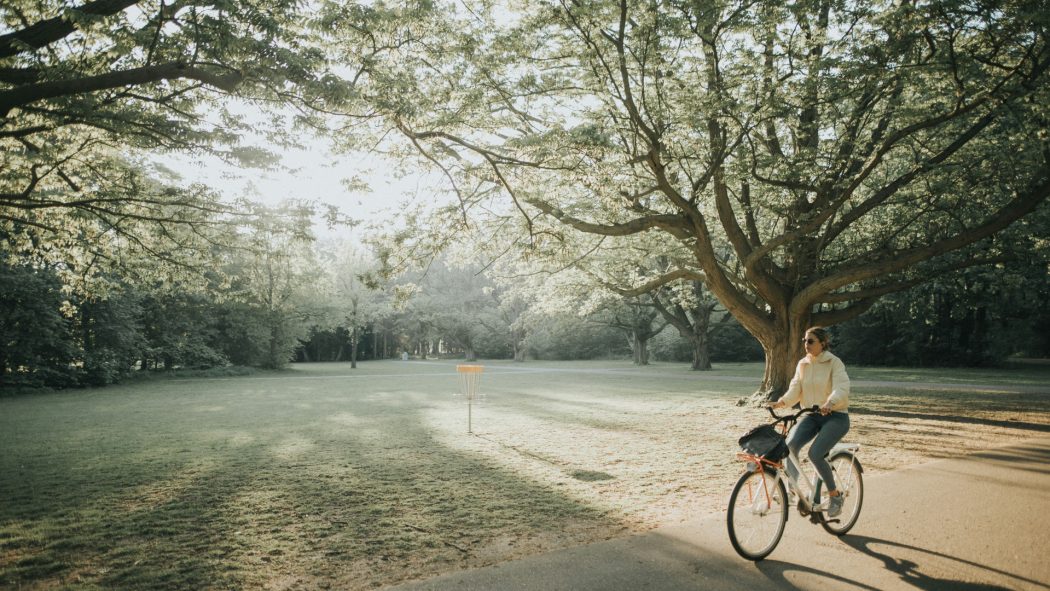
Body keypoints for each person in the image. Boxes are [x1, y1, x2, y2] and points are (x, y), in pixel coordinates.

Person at [769, 326, 850, 517]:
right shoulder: (803, 364)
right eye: (804, 340)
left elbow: (842, 387)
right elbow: (795, 388)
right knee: (789, 446)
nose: (806, 344)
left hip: (836, 417)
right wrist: (781, 402)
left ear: (823, 343)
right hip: (812, 415)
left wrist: (830, 402)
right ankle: (792, 492)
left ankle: (835, 495)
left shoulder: (834, 362)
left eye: (810, 341)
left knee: (815, 454)